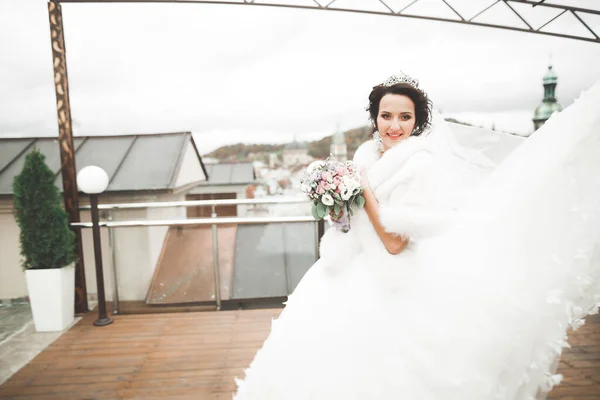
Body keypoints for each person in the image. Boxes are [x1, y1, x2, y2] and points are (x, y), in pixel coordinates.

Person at [233, 73, 600, 400]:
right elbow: (353, 222)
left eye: (405, 117)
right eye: (386, 115)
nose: (394, 125)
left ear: (418, 121)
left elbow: (395, 243)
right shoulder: (365, 157)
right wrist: (339, 206)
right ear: (375, 118)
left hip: (392, 282)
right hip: (347, 271)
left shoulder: (421, 166)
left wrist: (363, 193)